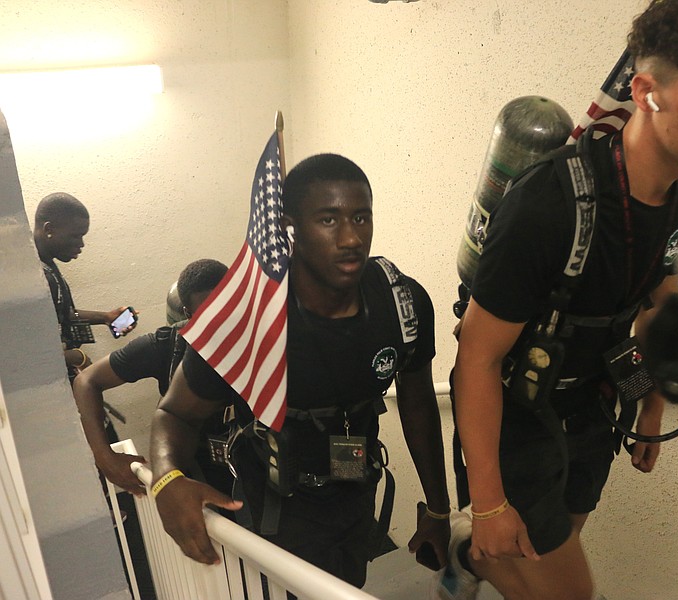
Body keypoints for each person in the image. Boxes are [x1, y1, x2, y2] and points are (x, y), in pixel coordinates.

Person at [443, 1, 678, 598]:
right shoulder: (550, 203)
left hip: (595, 408)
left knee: (554, 555)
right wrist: (489, 502)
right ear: (647, 92)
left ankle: (467, 558)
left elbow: (660, 305)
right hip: (519, 414)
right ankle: (472, 540)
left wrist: (650, 408)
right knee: (569, 593)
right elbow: (477, 356)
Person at [148, 153, 451, 588]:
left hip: (355, 488)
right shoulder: (246, 316)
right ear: (290, 228)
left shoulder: (401, 303)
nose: (351, 238)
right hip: (276, 504)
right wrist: (167, 477)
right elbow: (174, 414)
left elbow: (418, 402)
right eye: (328, 220)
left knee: (348, 586)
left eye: (361, 217)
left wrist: (439, 509)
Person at [72, 259, 230, 496]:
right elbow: (86, 381)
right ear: (188, 315)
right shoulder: (168, 345)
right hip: (200, 475)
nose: (221, 324)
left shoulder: (269, 334)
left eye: (227, 309)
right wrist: (105, 458)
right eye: (208, 316)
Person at [32, 192, 137, 382]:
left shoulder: (47, 265)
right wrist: (77, 357)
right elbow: (31, 353)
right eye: (75, 236)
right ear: (49, 229)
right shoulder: (35, 277)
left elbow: (62, 313)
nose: (81, 244)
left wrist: (106, 317)